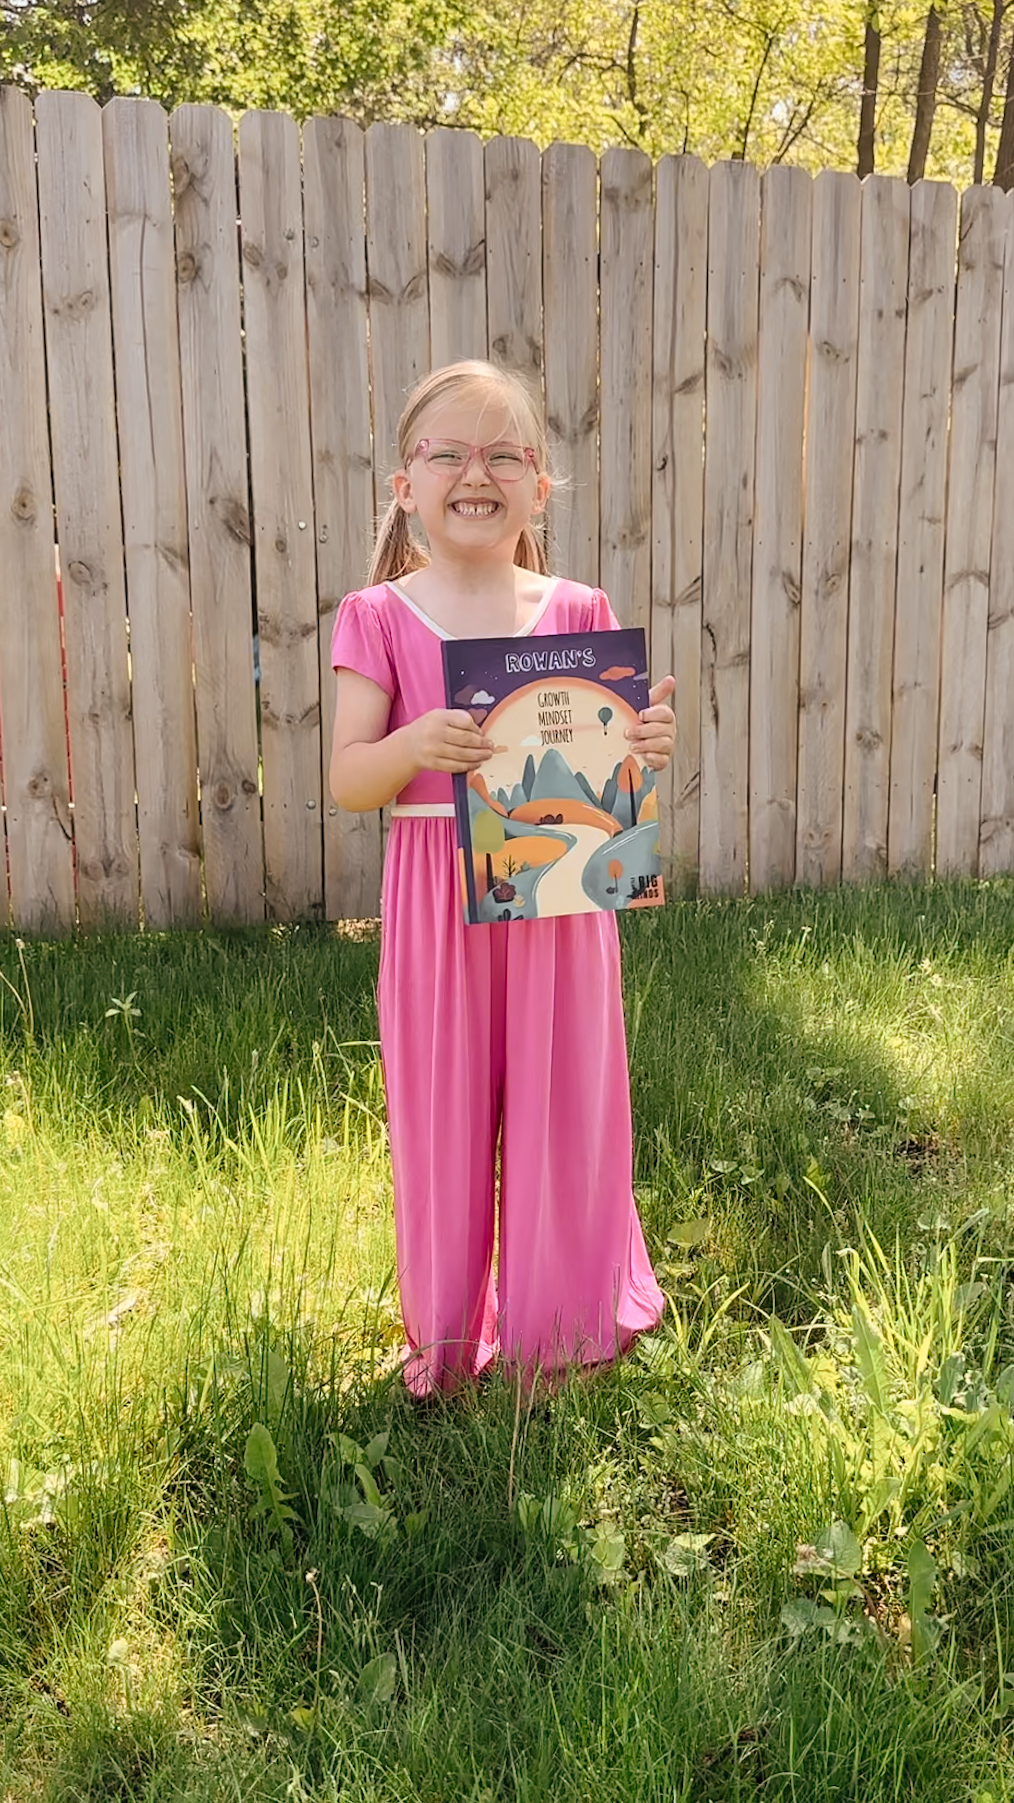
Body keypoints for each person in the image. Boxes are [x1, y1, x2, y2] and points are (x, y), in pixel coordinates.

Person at [329, 360, 676, 1398]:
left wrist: (644, 742)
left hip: (559, 897)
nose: (473, 473)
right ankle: (443, 1339)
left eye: (502, 455)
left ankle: (553, 1335)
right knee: (440, 1108)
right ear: (405, 485)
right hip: (438, 896)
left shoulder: (578, 608)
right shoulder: (377, 616)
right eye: (447, 453)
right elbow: (350, 779)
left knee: (563, 1102)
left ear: (539, 483)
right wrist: (418, 743)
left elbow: (610, 760)